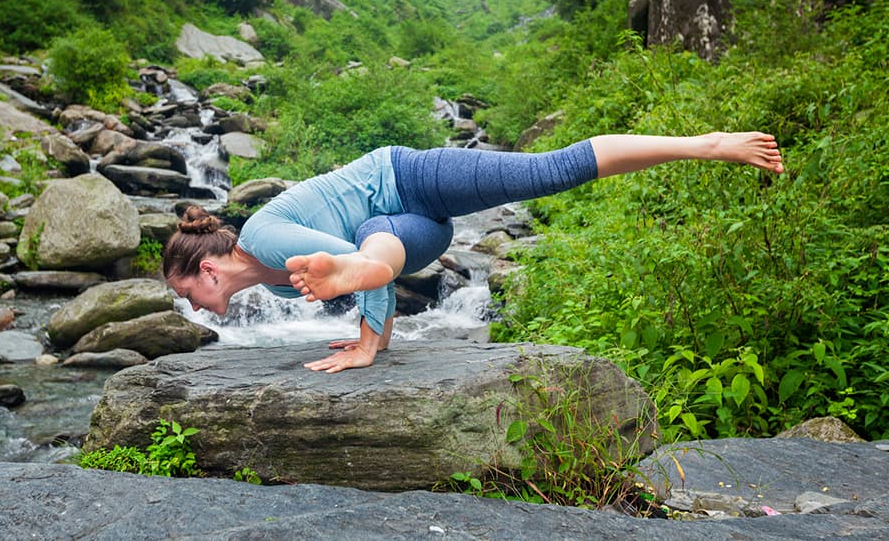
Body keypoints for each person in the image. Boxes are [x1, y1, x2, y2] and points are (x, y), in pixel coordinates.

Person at [163, 132, 784, 373]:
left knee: (550, 170)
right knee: (373, 249)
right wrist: (370, 341)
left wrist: (367, 338)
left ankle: (708, 144)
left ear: (208, 267)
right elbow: (365, 265)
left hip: (413, 178)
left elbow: (355, 264)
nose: (195, 307)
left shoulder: (266, 237)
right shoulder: (273, 286)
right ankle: (367, 271)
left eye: (188, 293)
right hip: (413, 237)